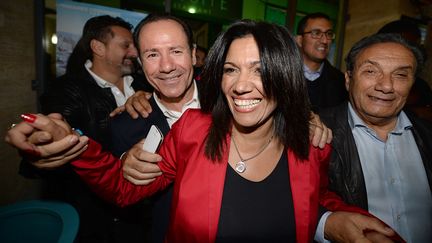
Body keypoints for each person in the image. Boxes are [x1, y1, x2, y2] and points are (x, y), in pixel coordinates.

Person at [6, 20, 400, 243]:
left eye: (260, 69)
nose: (241, 85)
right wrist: (76, 144)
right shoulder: (193, 130)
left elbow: (316, 200)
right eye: (230, 69)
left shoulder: (312, 145)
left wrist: (335, 221)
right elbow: (122, 188)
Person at [24, 15, 151, 243]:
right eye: (126, 45)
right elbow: (53, 133)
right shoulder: (67, 89)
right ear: (98, 47)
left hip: (142, 210)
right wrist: (42, 144)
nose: (134, 52)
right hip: (93, 217)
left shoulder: (144, 85)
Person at [320, 33, 432, 242]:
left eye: (400, 75)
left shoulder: (428, 136)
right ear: (348, 79)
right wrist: (326, 224)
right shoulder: (315, 132)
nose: (386, 86)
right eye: (371, 71)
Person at [377, 19, 432, 122]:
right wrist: (416, 113)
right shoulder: (370, 82)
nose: (415, 51)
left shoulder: (421, 85)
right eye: (407, 46)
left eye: (417, 44)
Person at [296, 12, 348, 112]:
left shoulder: (341, 82)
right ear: (299, 40)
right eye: (316, 33)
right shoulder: (282, 75)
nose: (324, 40)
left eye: (328, 34)